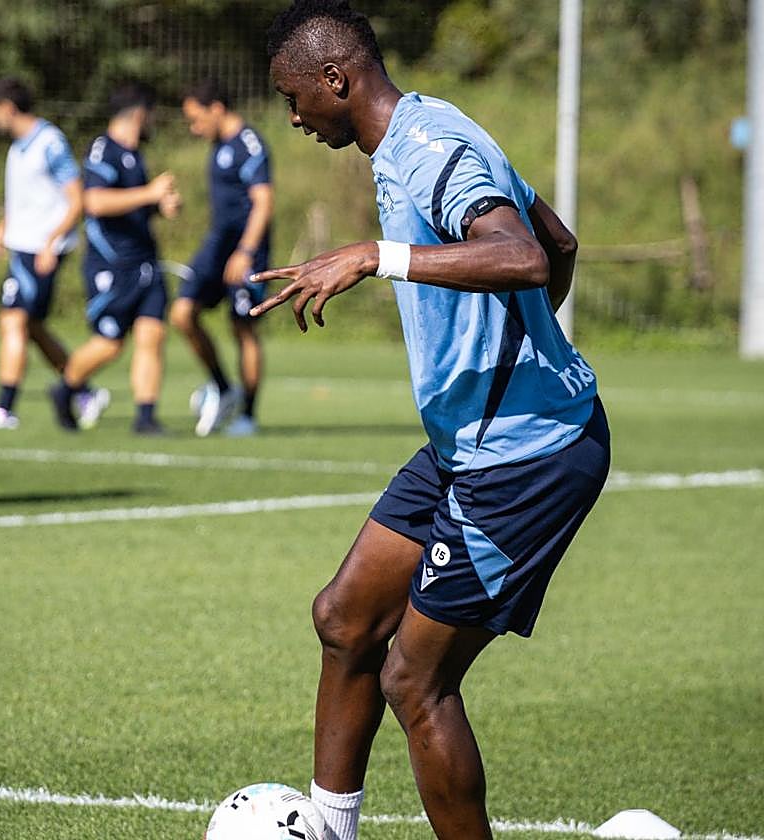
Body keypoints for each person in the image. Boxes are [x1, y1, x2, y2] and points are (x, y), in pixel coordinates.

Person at [254, 3, 611, 838]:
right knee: (345, 620)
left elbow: (522, 253)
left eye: (294, 97)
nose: (294, 117)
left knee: (415, 681)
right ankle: (329, 831)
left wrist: (377, 256)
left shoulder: (427, 149)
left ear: (336, 81)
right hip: (469, 444)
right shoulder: (421, 130)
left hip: (528, 460)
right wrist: (521, 350)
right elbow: (558, 243)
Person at [48, 83, 180, 435]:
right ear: (139, 114)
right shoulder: (103, 150)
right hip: (112, 265)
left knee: (152, 335)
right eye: (150, 115)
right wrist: (149, 193)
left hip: (146, 261)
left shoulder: (135, 154)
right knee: (110, 344)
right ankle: (66, 389)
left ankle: (146, 416)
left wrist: (158, 206)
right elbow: (95, 203)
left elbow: (131, 205)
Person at [0, 78, 82, 430]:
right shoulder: (18, 148)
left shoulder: (50, 143)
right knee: (31, 327)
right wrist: (4, 227)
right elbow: (26, 200)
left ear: (8, 108)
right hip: (24, 246)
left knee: (12, 320)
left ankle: (4, 406)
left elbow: (77, 200)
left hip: (42, 250)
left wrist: (51, 243)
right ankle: (83, 388)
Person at [175, 80, 274, 437]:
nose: (194, 127)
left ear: (216, 108)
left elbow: (263, 202)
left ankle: (247, 414)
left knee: (242, 327)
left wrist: (246, 253)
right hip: (216, 246)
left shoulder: (250, 144)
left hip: (245, 251)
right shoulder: (218, 146)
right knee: (183, 313)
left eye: (196, 118)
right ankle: (222, 387)